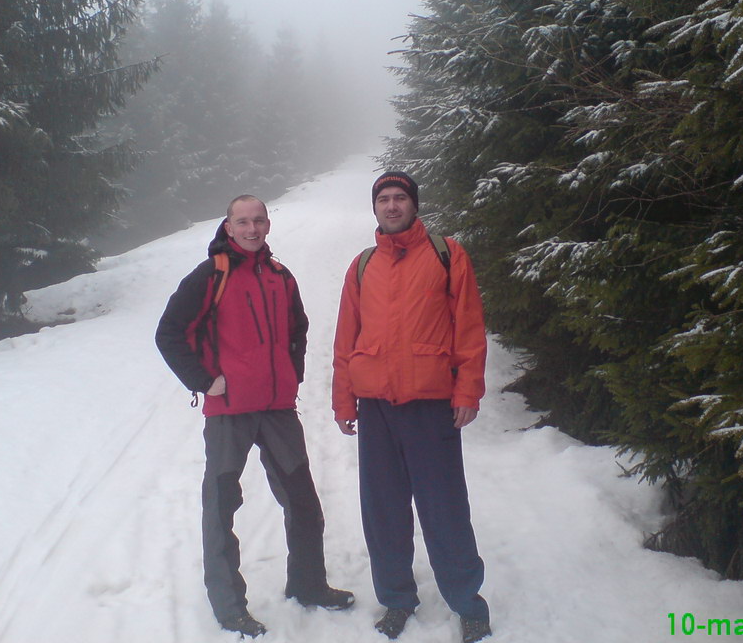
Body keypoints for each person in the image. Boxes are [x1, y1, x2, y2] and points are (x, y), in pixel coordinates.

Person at [156, 195, 353, 638]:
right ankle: (229, 606)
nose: (251, 228)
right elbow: (168, 332)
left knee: (302, 502)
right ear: (228, 226)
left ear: (267, 224)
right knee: (222, 507)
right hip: (229, 412)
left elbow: (298, 330)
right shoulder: (211, 276)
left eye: (258, 220)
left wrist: (291, 375)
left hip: (278, 409)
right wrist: (203, 380)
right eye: (242, 221)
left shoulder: (280, 276)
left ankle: (308, 586)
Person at [332, 172, 492, 643]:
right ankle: (397, 599)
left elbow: (469, 327)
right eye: (384, 198)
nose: (392, 205)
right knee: (383, 510)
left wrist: (468, 391)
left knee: (444, 508)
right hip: (377, 407)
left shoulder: (446, 254)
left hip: (430, 405)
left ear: (414, 205)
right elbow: (345, 339)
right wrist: (344, 398)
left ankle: (467, 602)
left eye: (400, 197)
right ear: (375, 209)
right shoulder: (362, 267)